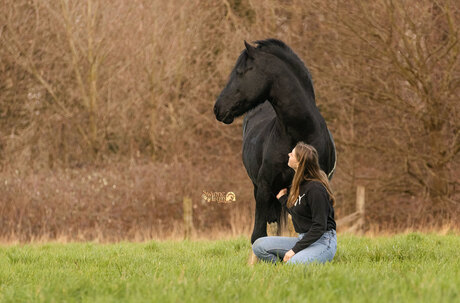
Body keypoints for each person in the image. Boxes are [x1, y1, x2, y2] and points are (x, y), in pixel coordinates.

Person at [252, 142, 337, 265]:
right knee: (259, 246)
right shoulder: (300, 184)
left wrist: (294, 250)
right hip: (303, 238)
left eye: (292, 154)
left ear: (299, 162)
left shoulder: (316, 189)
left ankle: (290, 266)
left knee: (294, 264)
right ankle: (280, 269)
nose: (288, 154)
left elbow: (319, 227)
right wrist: (282, 199)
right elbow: (299, 211)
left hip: (323, 241)